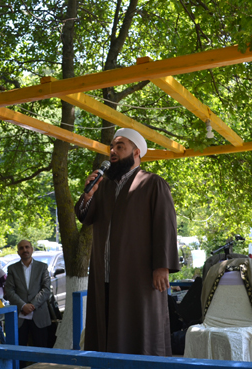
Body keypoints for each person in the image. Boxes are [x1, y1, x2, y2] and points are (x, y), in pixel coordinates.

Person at [75, 128, 180, 356]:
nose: (112, 151)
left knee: (138, 329)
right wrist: (88, 195)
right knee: (105, 330)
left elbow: (165, 226)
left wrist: (162, 266)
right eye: (111, 147)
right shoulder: (103, 186)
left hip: (138, 277)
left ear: (137, 152)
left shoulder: (152, 183)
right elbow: (85, 216)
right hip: (104, 277)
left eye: (119, 146)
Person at [4, 240, 51, 351]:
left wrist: (32, 305)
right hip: (20, 317)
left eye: (27, 247)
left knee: (42, 351)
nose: (24, 250)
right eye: (21, 248)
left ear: (32, 249)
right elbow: (9, 290)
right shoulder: (12, 269)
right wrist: (23, 305)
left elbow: (47, 289)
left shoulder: (42, 267)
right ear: (18, 252)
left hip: (39, 314)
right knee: (19, 351)